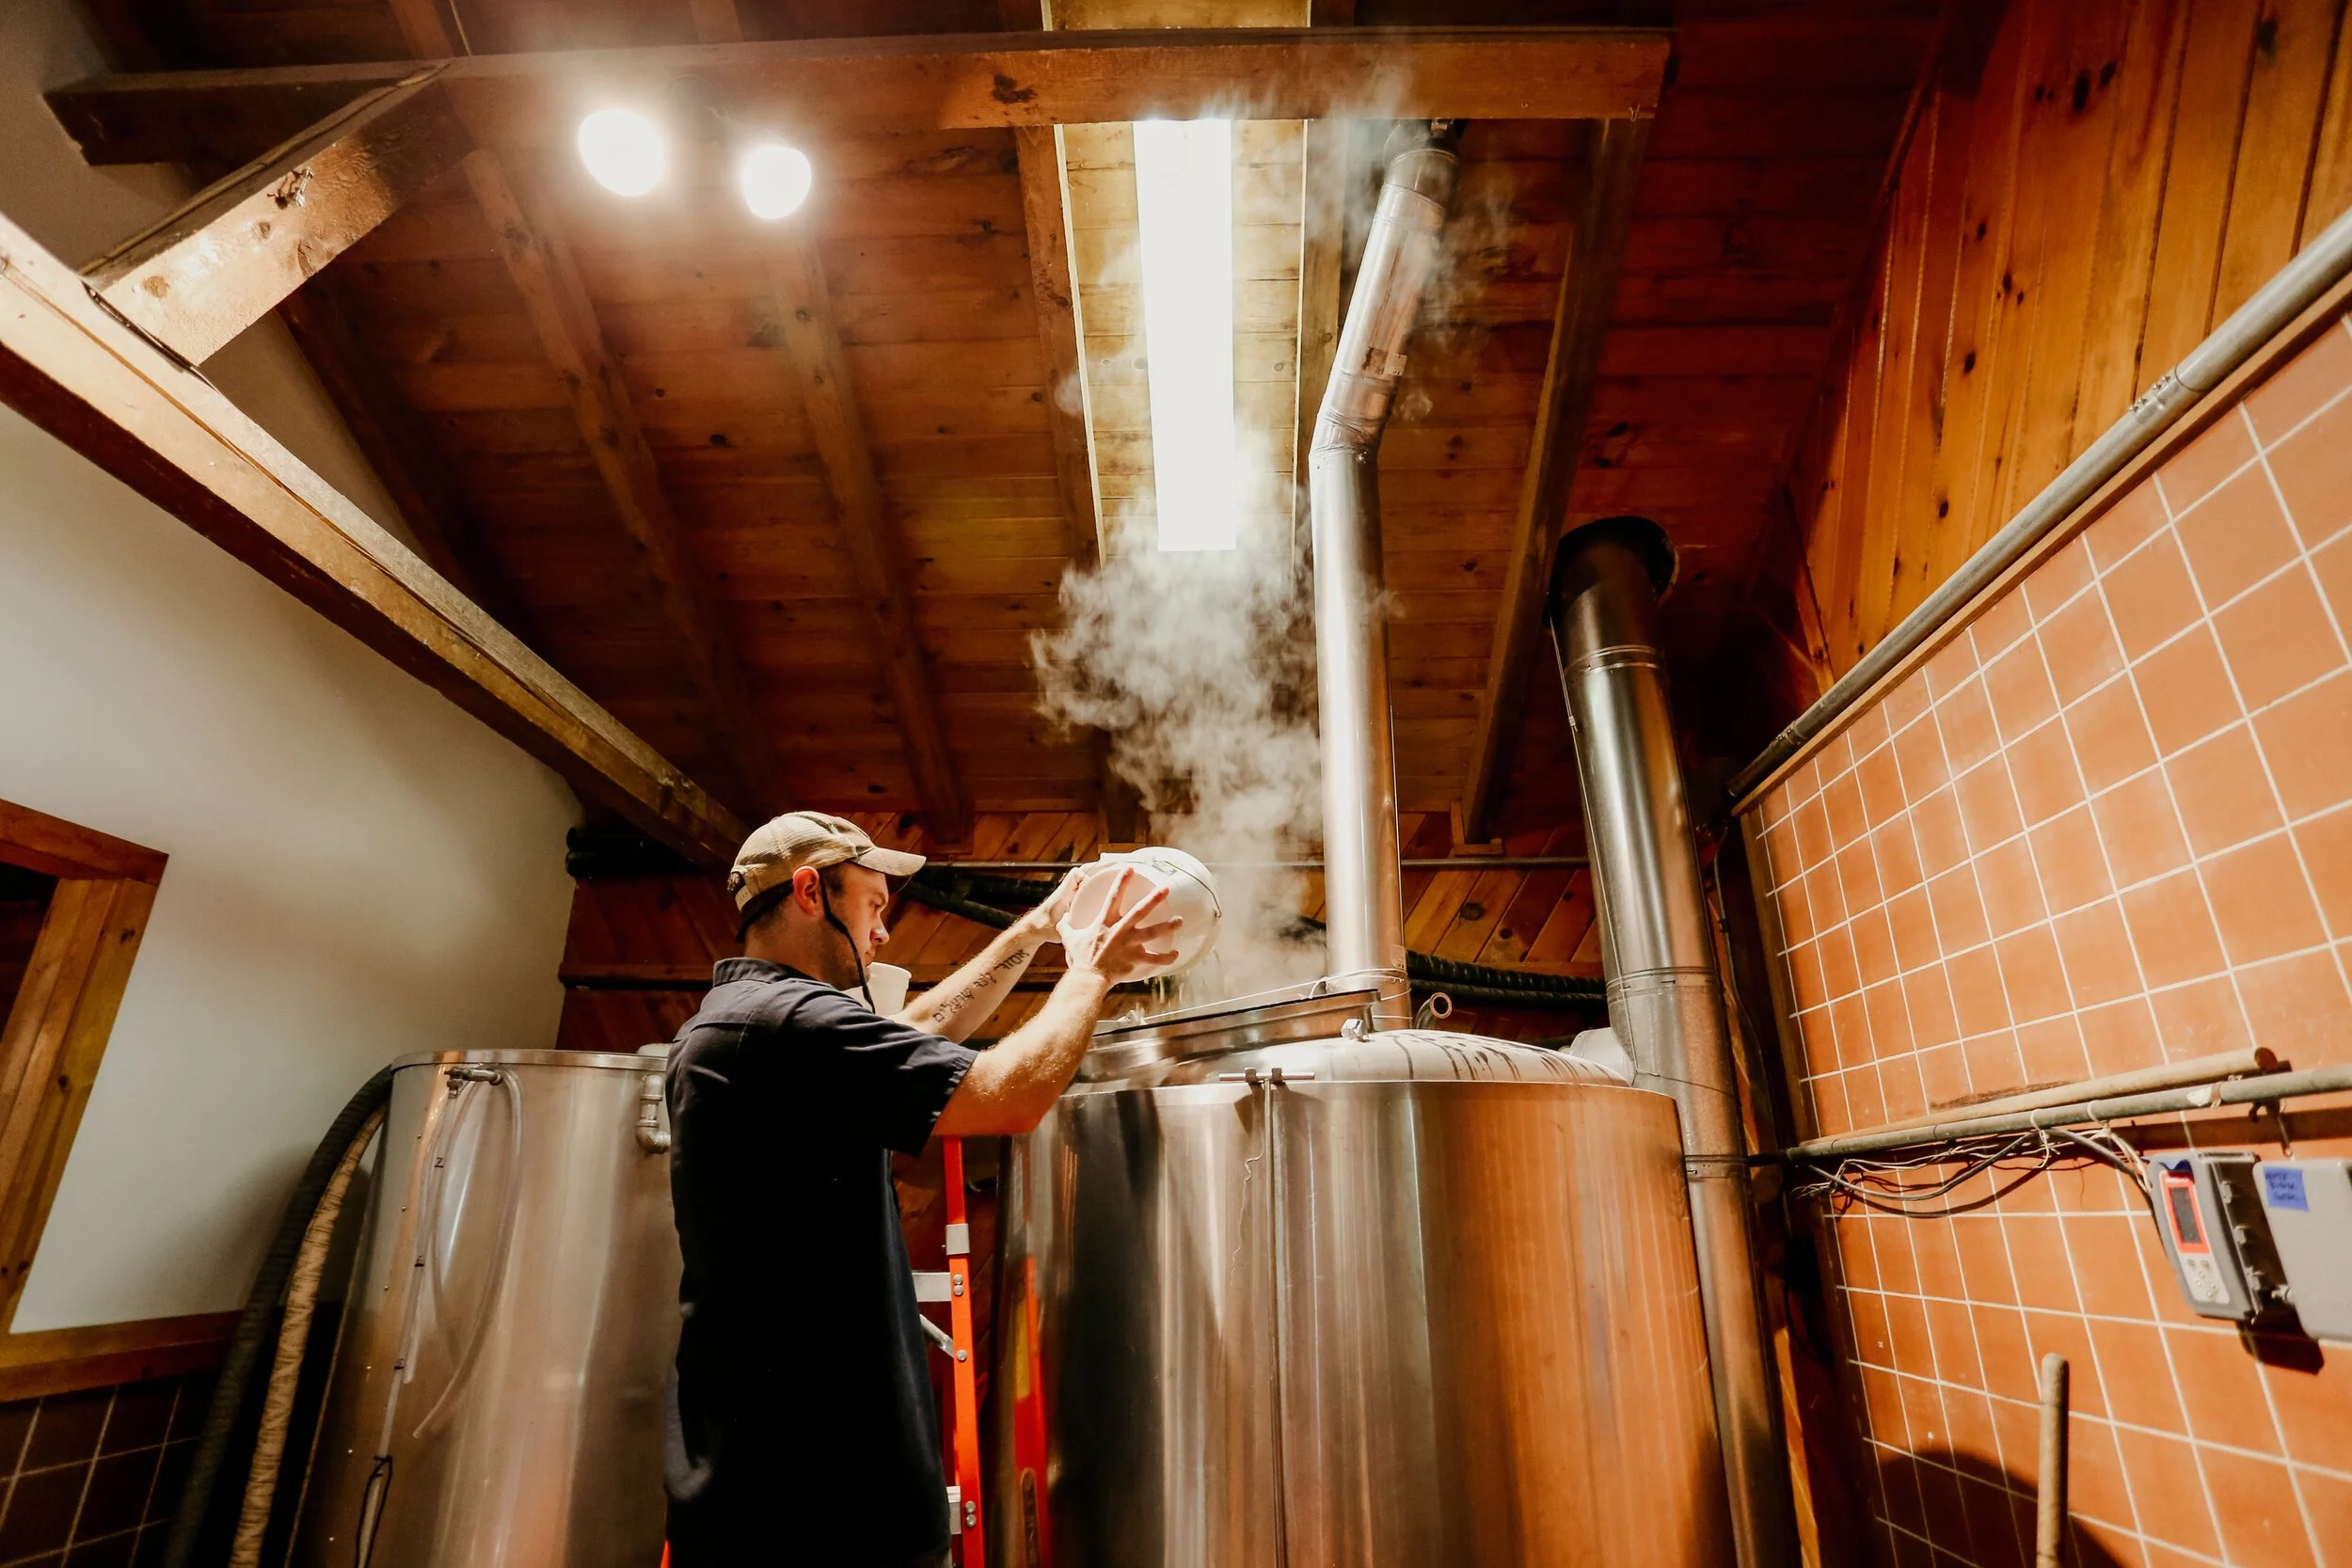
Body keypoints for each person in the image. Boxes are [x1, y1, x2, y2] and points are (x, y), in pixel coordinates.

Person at [661, 811, 1176, 1568]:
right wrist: (1093, 969)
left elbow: (914, 1035)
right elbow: (1008, 1096)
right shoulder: (786, 1025)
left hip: (764, 1484)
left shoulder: (742, 1022)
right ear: (811, 891)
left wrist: (1029, 931)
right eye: (873, 904)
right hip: (815, 1504)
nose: (883, 933)